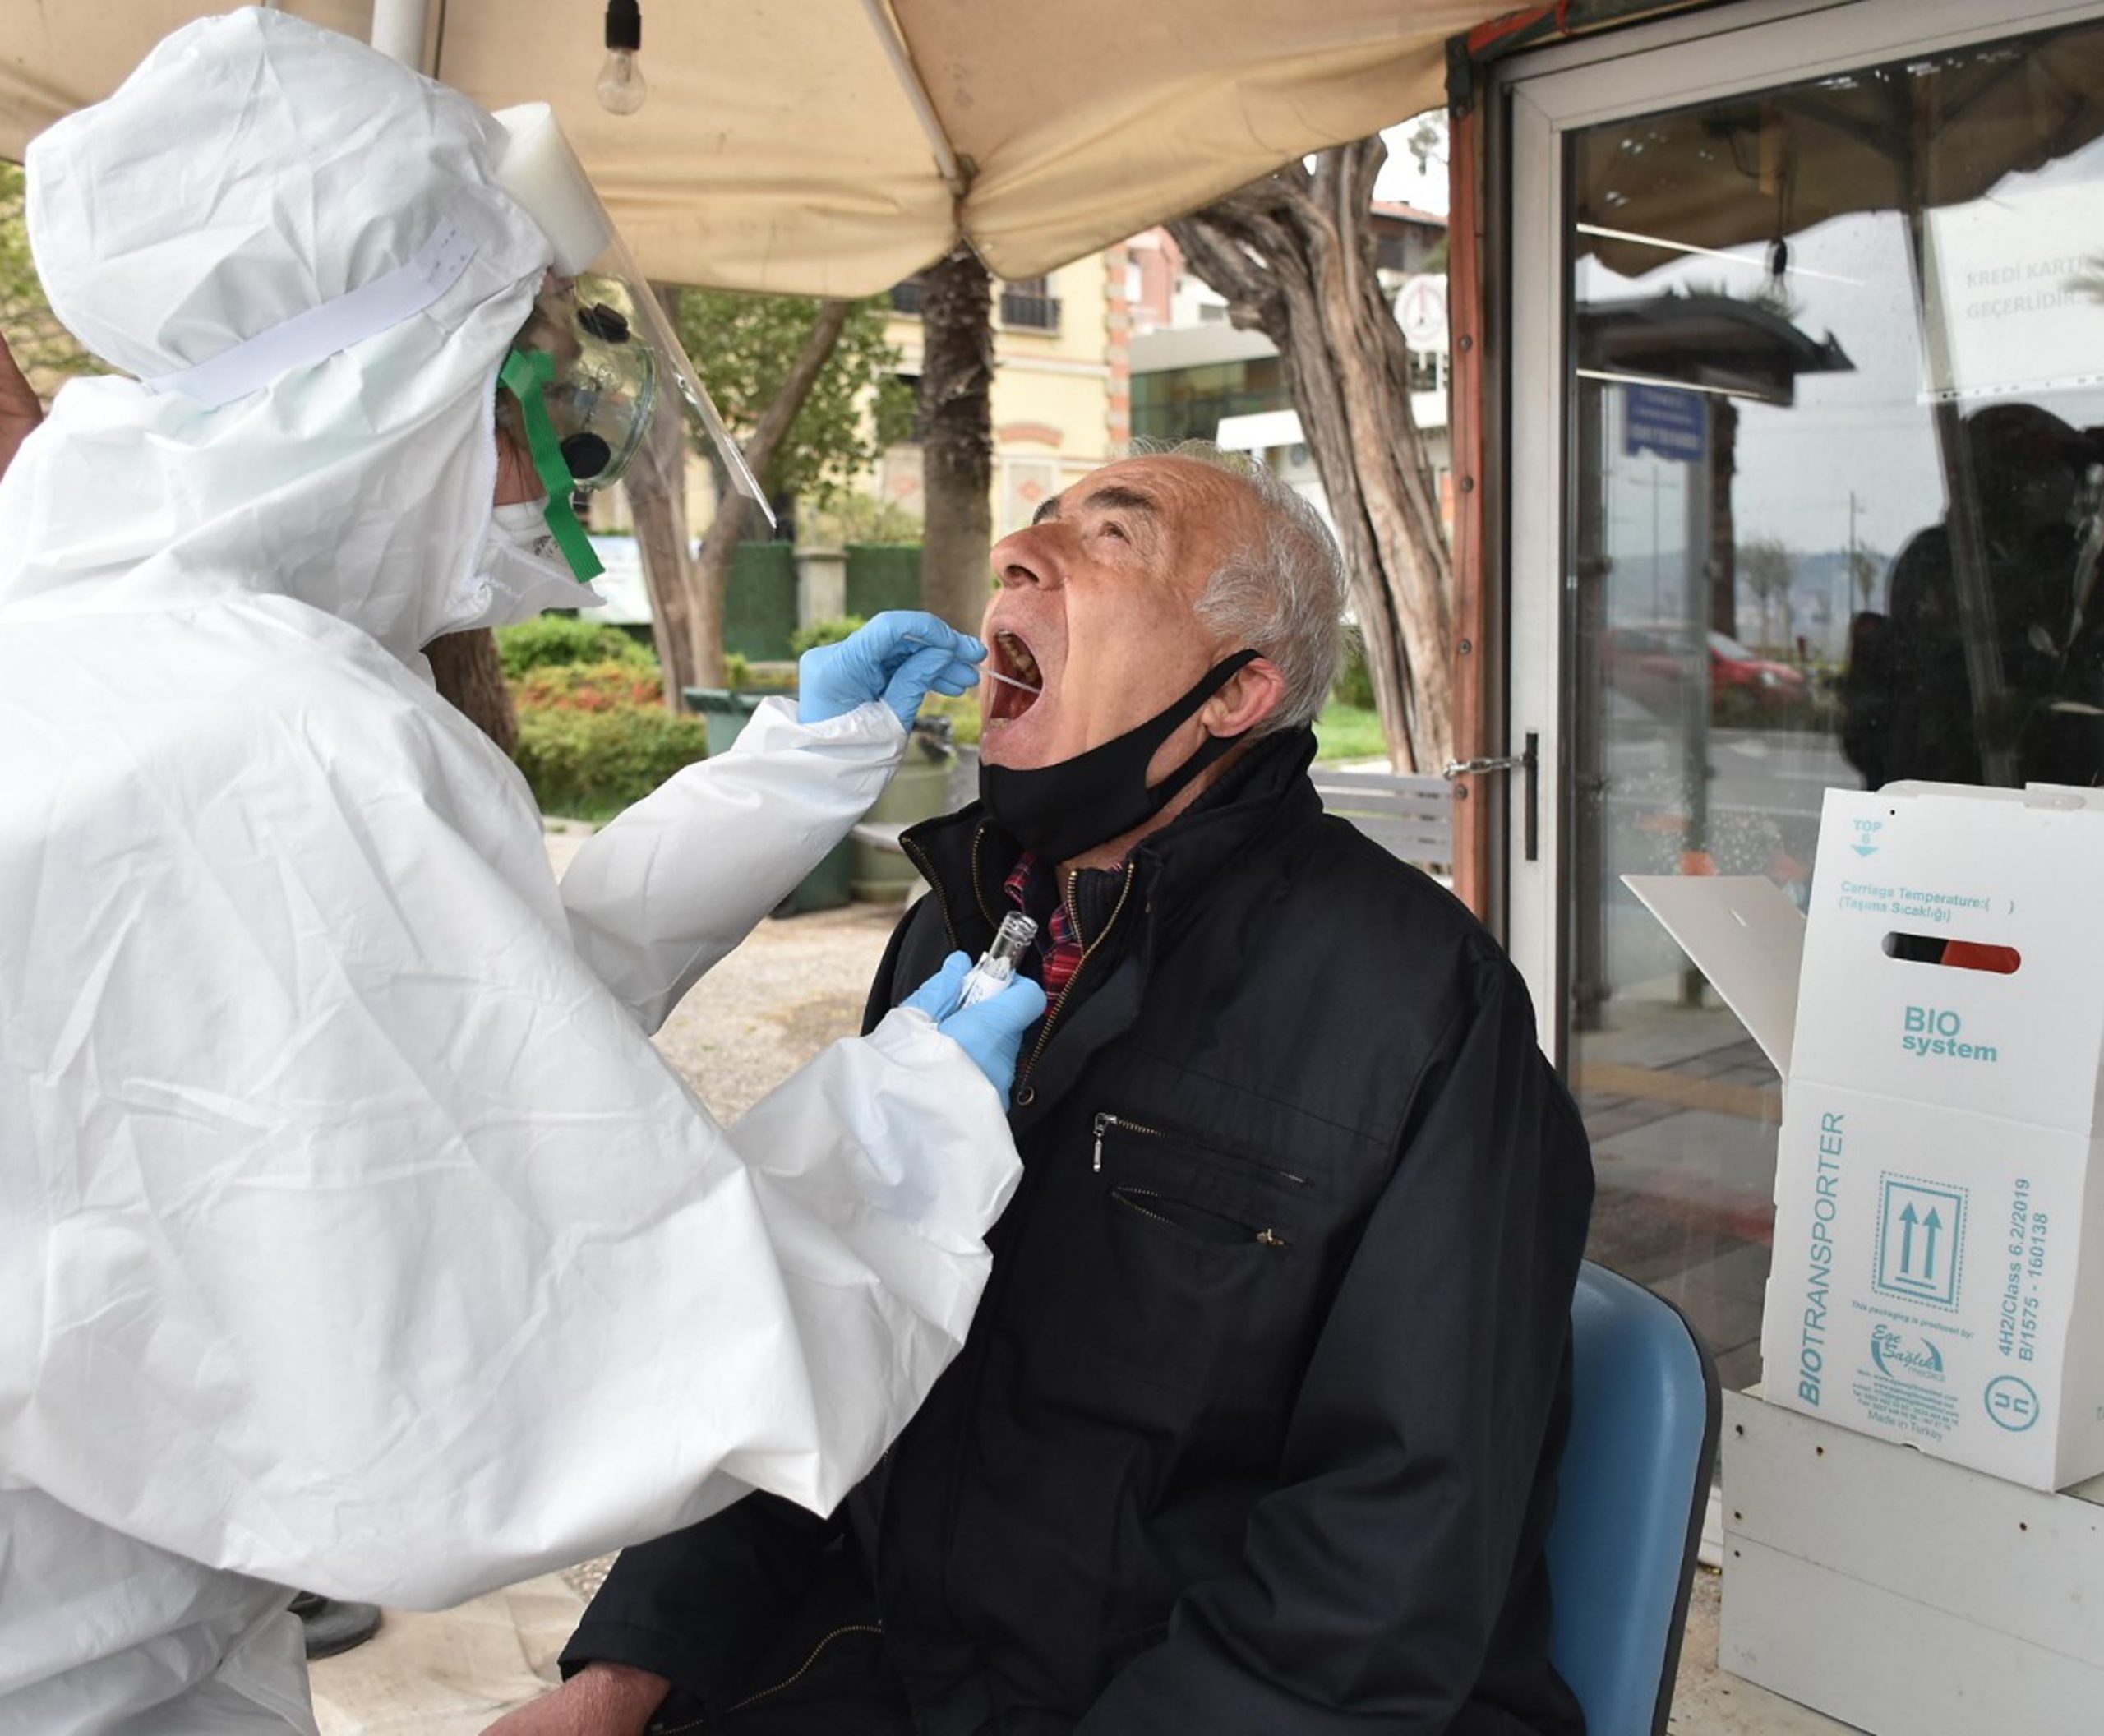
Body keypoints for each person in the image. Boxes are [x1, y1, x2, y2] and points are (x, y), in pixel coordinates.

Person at [0, 12, 1046, 1735]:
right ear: (396, 387)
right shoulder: (274, 734)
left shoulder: (109, 663)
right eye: (535, 399)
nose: (557, 460)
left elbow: (449, 1016)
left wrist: (792, 765)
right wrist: (912, 1123)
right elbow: (574, 1349)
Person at [510, 447, 1597, 1736]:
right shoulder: (953, 942)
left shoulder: (1422, 1008)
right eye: (1038, 523)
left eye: (1116, 539)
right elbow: (809, 1342)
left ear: (1238, 692)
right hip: (894, 1670)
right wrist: (624, 1672)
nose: (1026, 552)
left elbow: (1387, 1564)